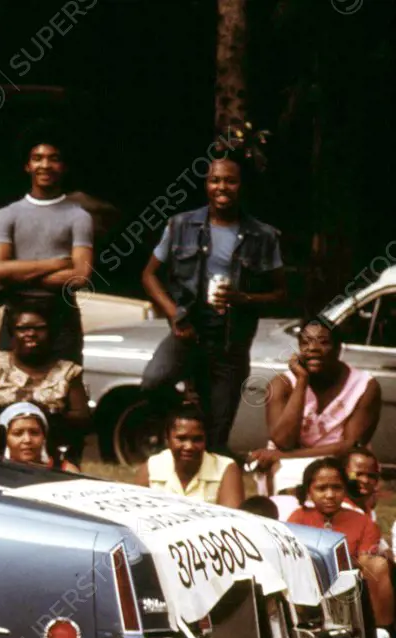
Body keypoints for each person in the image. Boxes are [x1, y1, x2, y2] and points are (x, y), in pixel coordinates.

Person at [140, 145, 286, 457]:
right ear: (206, 184)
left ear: (241, 185)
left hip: (230, 343)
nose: (222, 187)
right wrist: (174, 316)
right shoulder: (181, 225)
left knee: (217, 439)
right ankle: (187, 415)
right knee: (153, 382)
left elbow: (280, 293)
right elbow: (149, 276)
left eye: (230, 181)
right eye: (215, 180)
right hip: (188, 332)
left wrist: (242, 297)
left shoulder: (263, 236)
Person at [0, 125, 94, 365]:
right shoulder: (8, 214)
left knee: (64, 389)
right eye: (37, 159)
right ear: (27, 166)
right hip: (17, 311)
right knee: (11, 387)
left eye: (53, 159)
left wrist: (19, 274)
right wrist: (54, 264)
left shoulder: (79, 216)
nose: (45, 165)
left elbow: (80, 277)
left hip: (60, 312)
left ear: (63, 166)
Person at [249, 319, 380, 474]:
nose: (313, 348)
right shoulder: (282, 384)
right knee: (284, 477)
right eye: (305, 343)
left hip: (340, 466)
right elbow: (283, 442)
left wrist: (284, 456)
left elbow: (350, 447)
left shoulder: (364, 386)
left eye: (323, 343)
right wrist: (302, 382)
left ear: (338, 348)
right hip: (286, 465)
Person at [287, 457, 393, 629]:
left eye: (336, 487)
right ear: (309, 491)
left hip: (351, 590)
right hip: (308, 586)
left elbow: (367, 563)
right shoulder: (298, 518)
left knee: (378, 564)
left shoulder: (363, 522)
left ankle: (381, 633)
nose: (330, 495)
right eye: (321, 488)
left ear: (345, 489)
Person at [0, 303, 90, 459]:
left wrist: (48, 416)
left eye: (39, 328)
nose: (31, 334)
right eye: (22, 329)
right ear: (13, 333)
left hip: (48, 452)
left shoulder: (67, 371)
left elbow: (81, 418)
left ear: (51, 332)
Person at [135, 402, 245, 507]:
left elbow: (233, 522)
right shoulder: (151, 468)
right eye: (181, 438)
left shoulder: (225, 469)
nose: (189, 446)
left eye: (197, 439)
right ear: (167, 439)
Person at [0, 401, 80, 472]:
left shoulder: (66, 472)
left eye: (34, 433)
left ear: (44, 436)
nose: (27, 440)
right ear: (4, 438)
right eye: (18, 433)